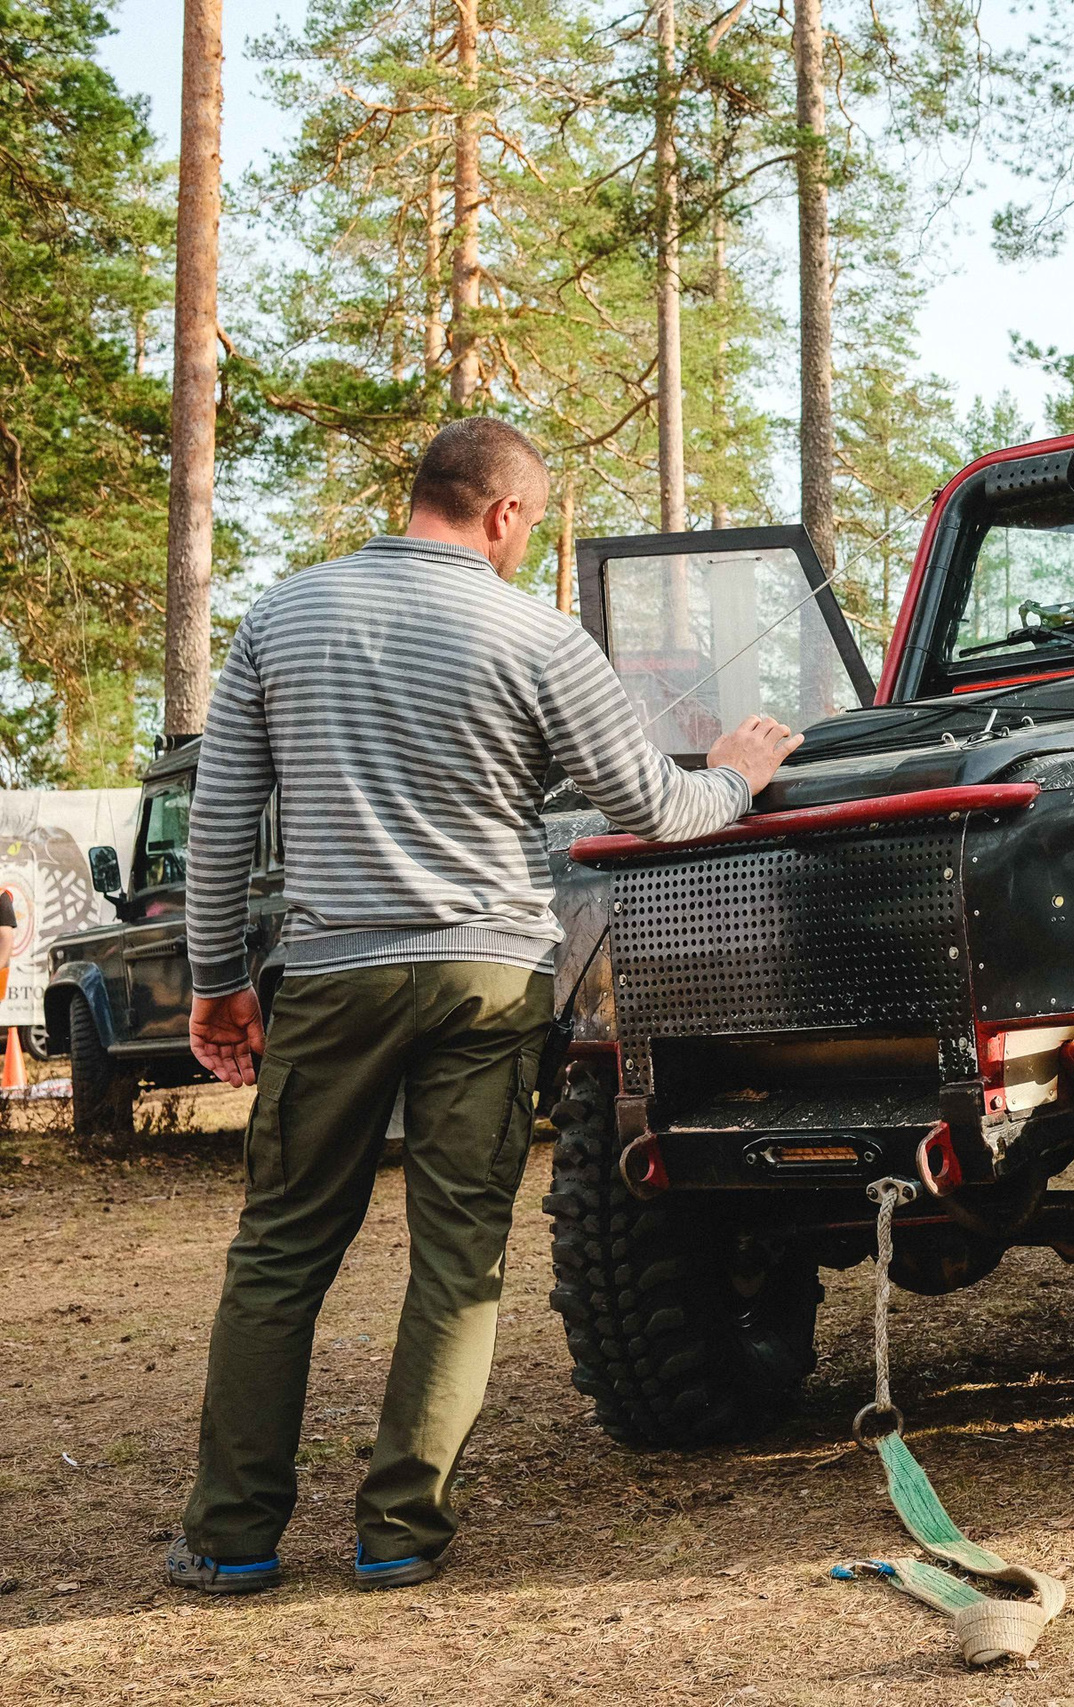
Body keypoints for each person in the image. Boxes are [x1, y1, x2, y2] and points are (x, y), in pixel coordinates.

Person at [167, 418, 804, 1596]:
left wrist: (215, 984)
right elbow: (654, 812)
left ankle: (233, 1539)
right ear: (505, 515)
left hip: (333, 976)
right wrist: (737, 771)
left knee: (279, 1255)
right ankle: (400, 1536)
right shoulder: (538, 635)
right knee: (456, 1260)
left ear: (424, 496)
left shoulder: (282, 617)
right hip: (489, 976)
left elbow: (219, 826)